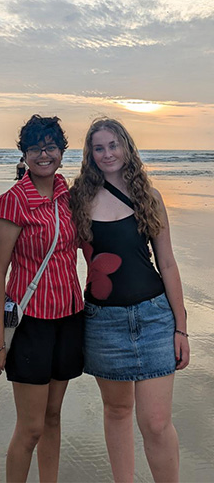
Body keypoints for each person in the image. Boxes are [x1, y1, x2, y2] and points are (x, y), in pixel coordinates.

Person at [69, 119, 188, 481]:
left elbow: (166, 263)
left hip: (154, 319)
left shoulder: (147, 197)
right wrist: (6, 252)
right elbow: (49, 241)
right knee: (117, 411)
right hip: (103, 322)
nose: (107, 154)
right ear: (90, 154)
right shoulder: (78, 199)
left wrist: (181, 328)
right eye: (99, 148)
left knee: (155, 422)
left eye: (113, 145)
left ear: (126, 147)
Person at [0, 115, 83, 483]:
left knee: (53, 417)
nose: (44, 153)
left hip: (70, 317)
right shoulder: (12, 202)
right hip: (30, 324)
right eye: (35, 147)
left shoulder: (68, 196)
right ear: (24, 154)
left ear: (61, 151)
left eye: (51, 146)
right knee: (30, 428)